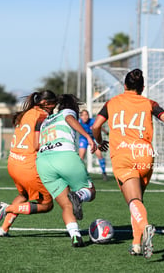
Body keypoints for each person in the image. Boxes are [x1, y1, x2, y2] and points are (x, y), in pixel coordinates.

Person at [92, 69, 164, 259]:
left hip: (123, 155)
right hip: (145, 156)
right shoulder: (149, 103)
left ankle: (146, 226)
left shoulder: (112, 103)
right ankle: (136, 244)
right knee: (137, 201)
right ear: (142, 88)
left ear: (124, 86)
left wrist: (99, 142)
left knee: (133, 201)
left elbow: (96, 126)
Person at [0, 90, 58, 237]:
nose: (55, 107)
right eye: (54, 104)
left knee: (23, 195)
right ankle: (7, 208)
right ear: (46, 103)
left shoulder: (26, 113)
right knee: (47, 205)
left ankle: (3, 230)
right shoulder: (43, 116)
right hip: (28, 166)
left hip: (13, 163)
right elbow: (37, 145)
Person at [36, 94, 97, 247]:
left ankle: (75, 236)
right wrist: (88, 138)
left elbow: (36, 145)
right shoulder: (67, 112)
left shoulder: (45, 121)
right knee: (90, 190)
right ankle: (79, 195)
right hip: (63, 155)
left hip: (43, 162)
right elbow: (70, 120)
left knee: (66, 205)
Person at [78, 109, 109, 180]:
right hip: (84, 139)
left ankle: (104, 173)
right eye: (83, 115)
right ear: (81, 116)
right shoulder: (79, 122)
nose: (85, 117)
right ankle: (80, 174)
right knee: (81, 157)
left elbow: (99, 127)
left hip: (93, 138)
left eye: (86, 115)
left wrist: (106, 133)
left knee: (99, 154)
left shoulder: (92, 121)